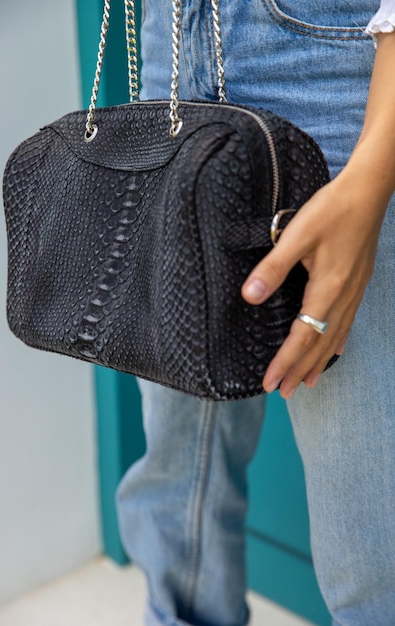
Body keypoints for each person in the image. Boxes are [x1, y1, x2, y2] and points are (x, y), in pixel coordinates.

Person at [117, 1, 395, 625]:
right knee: (178, 476)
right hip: (168, 40)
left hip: (336, 54)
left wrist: (375, 169)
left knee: (376, 548)